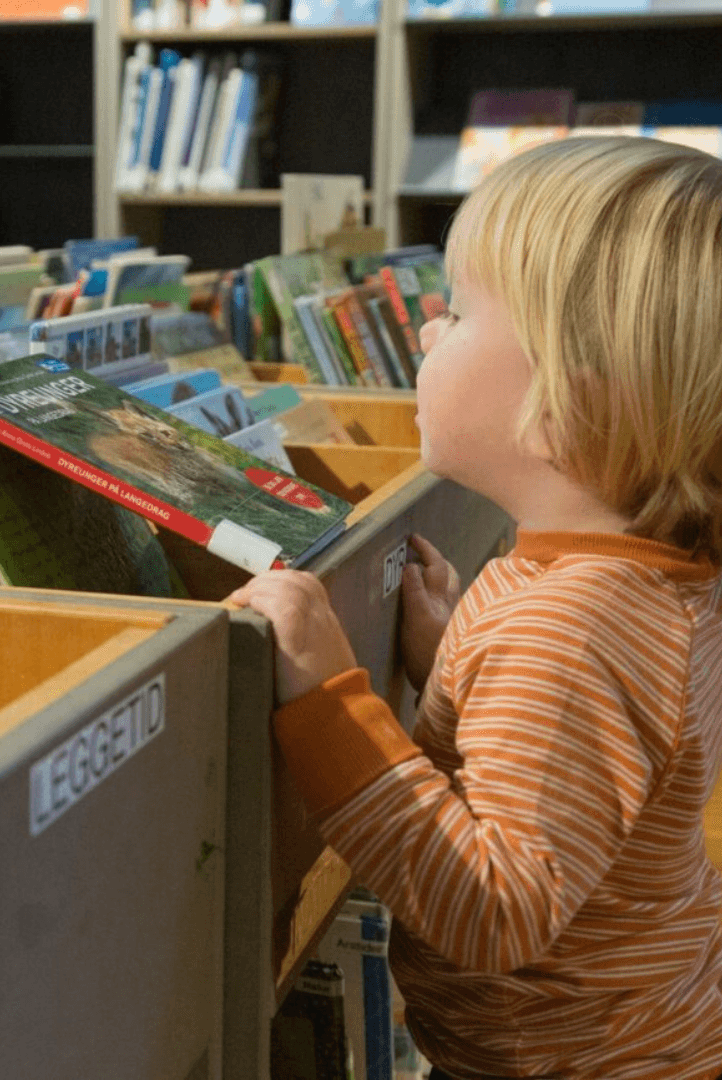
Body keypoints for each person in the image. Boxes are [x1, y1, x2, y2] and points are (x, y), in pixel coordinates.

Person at [229, 135, 722, 1080]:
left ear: (573, 388)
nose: (422, 336)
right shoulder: (632, 579)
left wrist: (332, 701)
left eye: (454, 317)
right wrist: (458, 655)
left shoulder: (570, 629)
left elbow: (491, 908)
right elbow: (587, 767)